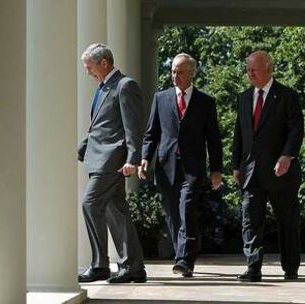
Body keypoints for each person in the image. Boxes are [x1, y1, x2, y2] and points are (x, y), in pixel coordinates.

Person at [139, 53, 223, 277]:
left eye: (180, 71)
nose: (175, 75)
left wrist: (216, 169)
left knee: (186, 209)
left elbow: (213, 138)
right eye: (173, 71)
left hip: (192, 167)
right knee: (172, 214)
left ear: (192, 73)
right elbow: (151, 133)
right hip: (166, 166)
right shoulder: (161, 98)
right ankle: (182, 255)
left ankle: (185, 259)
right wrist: (145, 158)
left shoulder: (206, 102)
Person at [232, 50, 304, 282]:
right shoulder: (243, 98)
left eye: (254, 69)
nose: (249, 73)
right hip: (251, 172)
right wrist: (236, 166)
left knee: (287, 221)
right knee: (250, 220)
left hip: (281, 172)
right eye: (248, 69)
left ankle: (291, 267)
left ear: (269, 68)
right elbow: (239, 135)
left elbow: (296, 129)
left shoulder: (287, 96)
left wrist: (287, 156)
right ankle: (253, 267)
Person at [77, 43, 146, 284]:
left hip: (112, 160)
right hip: (99, 158)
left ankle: (100, 265)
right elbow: (103, 123)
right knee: (116, 211)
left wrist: (132, 159)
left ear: (103, 63)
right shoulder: (104, 87)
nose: (87, 71)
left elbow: (133, 126)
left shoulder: (125, 86)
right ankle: (133, 267)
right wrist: (85, 144)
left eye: (89, 66)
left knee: (90, 203)